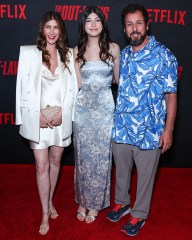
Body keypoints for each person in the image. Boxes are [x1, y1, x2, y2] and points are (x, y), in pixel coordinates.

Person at [106, 3, 178, 237]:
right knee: (122, 170)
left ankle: (139, 214)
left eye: (139, 23)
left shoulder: (164, 54)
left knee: (146, 176)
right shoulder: (123, 56)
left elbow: (171, 96)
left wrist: (168, 130)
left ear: (147, 25)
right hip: (123, 126)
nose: (134, 28)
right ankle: (122, 202)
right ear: (125, 29)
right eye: (129, 24)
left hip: (150, 128)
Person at [15, 11, 78, 235]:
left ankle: (50, 200)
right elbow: (21, 90)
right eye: (48, 27)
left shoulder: (69, 55)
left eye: (56, 28)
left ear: (61, 31)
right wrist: (31, 117)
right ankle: (44, 212)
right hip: (37, 118)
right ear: (42, 29)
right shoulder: (29, 53)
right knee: (41, 166)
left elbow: (73, 90)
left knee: (55, 160)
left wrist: (64, 112)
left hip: (60, 118)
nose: (52, 32)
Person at [73, 6, 120, 223]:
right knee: (82, 158)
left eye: (97, 20)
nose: (93, 24)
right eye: (89, 20)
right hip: (83, 113)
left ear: (103, 23)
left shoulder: (113, 49)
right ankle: (83, 200)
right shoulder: (76, 51)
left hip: (104, 113)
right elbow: (78, 85)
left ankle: (95, 204)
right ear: (83, 25)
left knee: (102, 160)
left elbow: (118, 81)